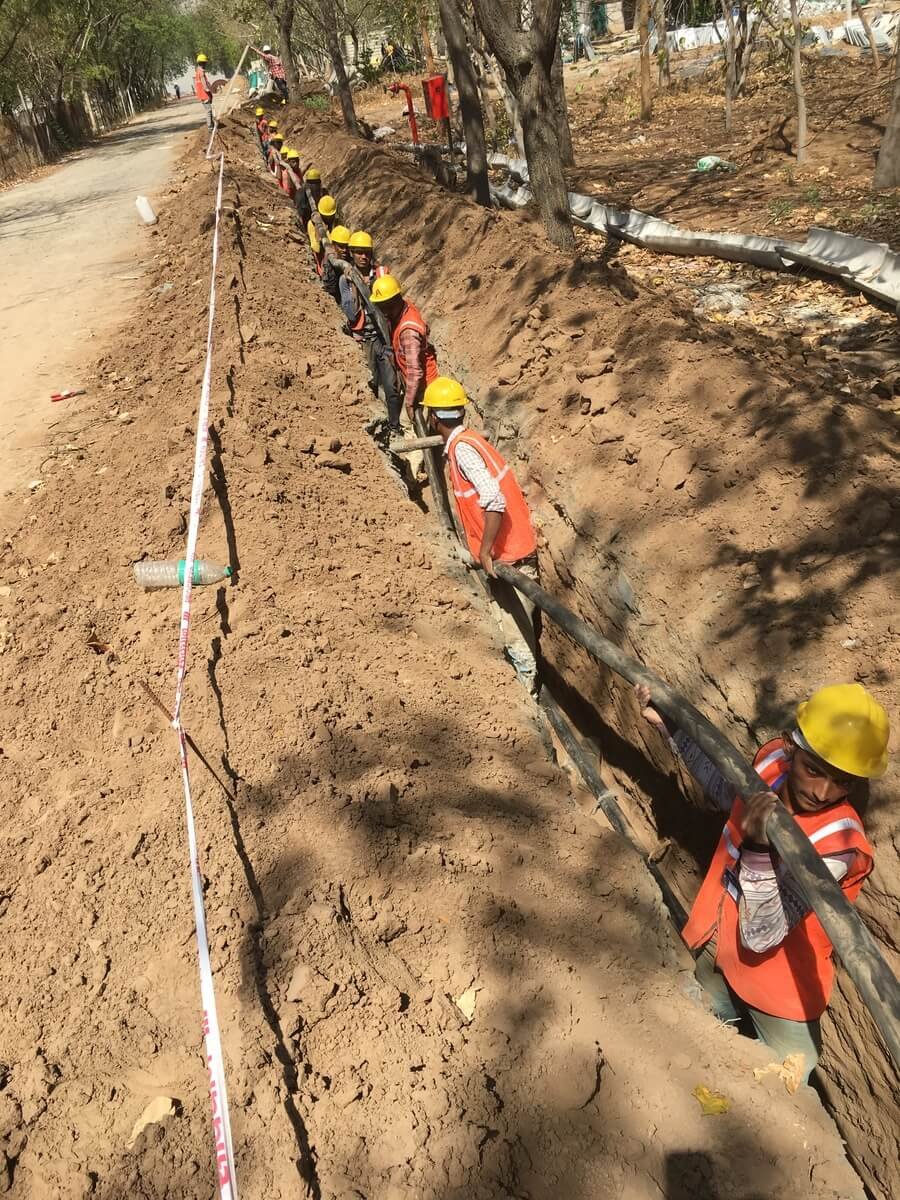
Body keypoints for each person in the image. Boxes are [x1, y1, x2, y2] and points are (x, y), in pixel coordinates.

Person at [634, 681, 889, 1083]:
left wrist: (756, 848)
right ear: (789, 747)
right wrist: (673, 730)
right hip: (720, 947)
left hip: (782, 986)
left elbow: (763, 935)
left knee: (785, 1091)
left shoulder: (837, 845)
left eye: (842, 781)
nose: (822, 792)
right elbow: (728, 792)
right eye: (813, 770)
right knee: (688, 1052)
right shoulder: (771, 764)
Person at [422, 376, 541, 688]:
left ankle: (528, 693)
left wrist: (485, 551)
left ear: (433, 418)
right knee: (510, 626)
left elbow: (493, 500)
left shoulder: (463, 451)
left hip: (509, 558)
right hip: (512, 551)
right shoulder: (472, 440)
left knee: (517, 638)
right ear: (461, 412)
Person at [340, 231, 400, 433]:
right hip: (364, 339)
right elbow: (349, 313)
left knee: (392, 386)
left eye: (367, 252)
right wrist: (354, 286)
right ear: (351, 253)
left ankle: (394, 426)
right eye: (359, 252)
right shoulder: (346, 279)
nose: (363, 256)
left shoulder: (382, 275)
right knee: (371, 382)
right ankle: (378, 425)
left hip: (385, 338)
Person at [369, 274, 438, 424]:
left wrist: (409, 402)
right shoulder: (404, 307)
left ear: (392, 302)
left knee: (409, 423)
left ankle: (418, 439)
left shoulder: (408, 332)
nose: (381, 310)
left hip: (424, 386)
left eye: (383, 306)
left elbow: (415, 372)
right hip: (416, 383)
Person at [309, 195, 338, 277]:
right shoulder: (311, 224)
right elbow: (316, 249)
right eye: (326, 217)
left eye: (330, 216)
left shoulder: (335, 223)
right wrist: (321, 233)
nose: (329, 219)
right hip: (322, 261)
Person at [321, 224, 351, 302]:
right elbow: (330, 289)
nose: (345, 250)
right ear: (333, 245)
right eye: (341, 246)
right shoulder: (330, 261)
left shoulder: (348, 257)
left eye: (347, 247)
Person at [194, 53, 214, 131]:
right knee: (209, 110)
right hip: (204, 95)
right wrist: (209, 92)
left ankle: (211, 124)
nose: (205, 64)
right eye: (205, 63)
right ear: (202, 63)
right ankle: (210, 127)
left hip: (201, 95)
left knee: (208, 109)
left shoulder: (197, 72)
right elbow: (205, 86)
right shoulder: (201, 72)